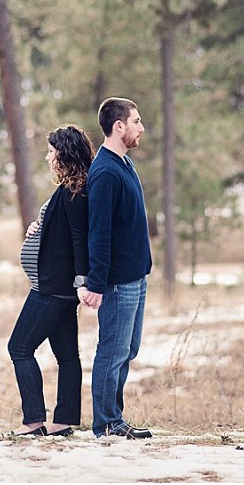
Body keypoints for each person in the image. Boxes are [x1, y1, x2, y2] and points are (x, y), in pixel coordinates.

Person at [7, 124, 95, 437]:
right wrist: (39, 227)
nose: (47, 158)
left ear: (65, 155)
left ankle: (33, 422)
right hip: (59, 287)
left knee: (19, 347)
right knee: (67, 356)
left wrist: (82, 281)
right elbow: (63, 233)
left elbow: (79, 239)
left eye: (51, 152)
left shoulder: (74, 194)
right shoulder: (73, 190)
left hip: (53, 288)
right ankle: (63, 422)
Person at [80, 98, 154, 438]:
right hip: (116, 283)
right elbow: (99, 232)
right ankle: (106, 424)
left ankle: (115, 418)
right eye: (136, 122)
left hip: (136, 277)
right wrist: (95, 283)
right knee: (112, 352)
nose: (141, 128)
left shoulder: (123, 163)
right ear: (118, 126)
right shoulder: (106, 172)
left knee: (128, 350)